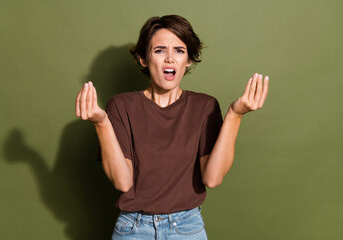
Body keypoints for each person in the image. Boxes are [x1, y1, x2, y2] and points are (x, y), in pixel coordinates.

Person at [75, 15, 269, 240]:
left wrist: (235, 114)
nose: (169, 58)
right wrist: (101, 123)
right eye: (159, 50)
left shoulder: (205, 106)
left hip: (187, 228)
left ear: (188, 60)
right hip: (133, 228)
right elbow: (123, 182)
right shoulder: (121, 106)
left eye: (179, 50)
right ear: (143, 59)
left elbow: (212, 178)